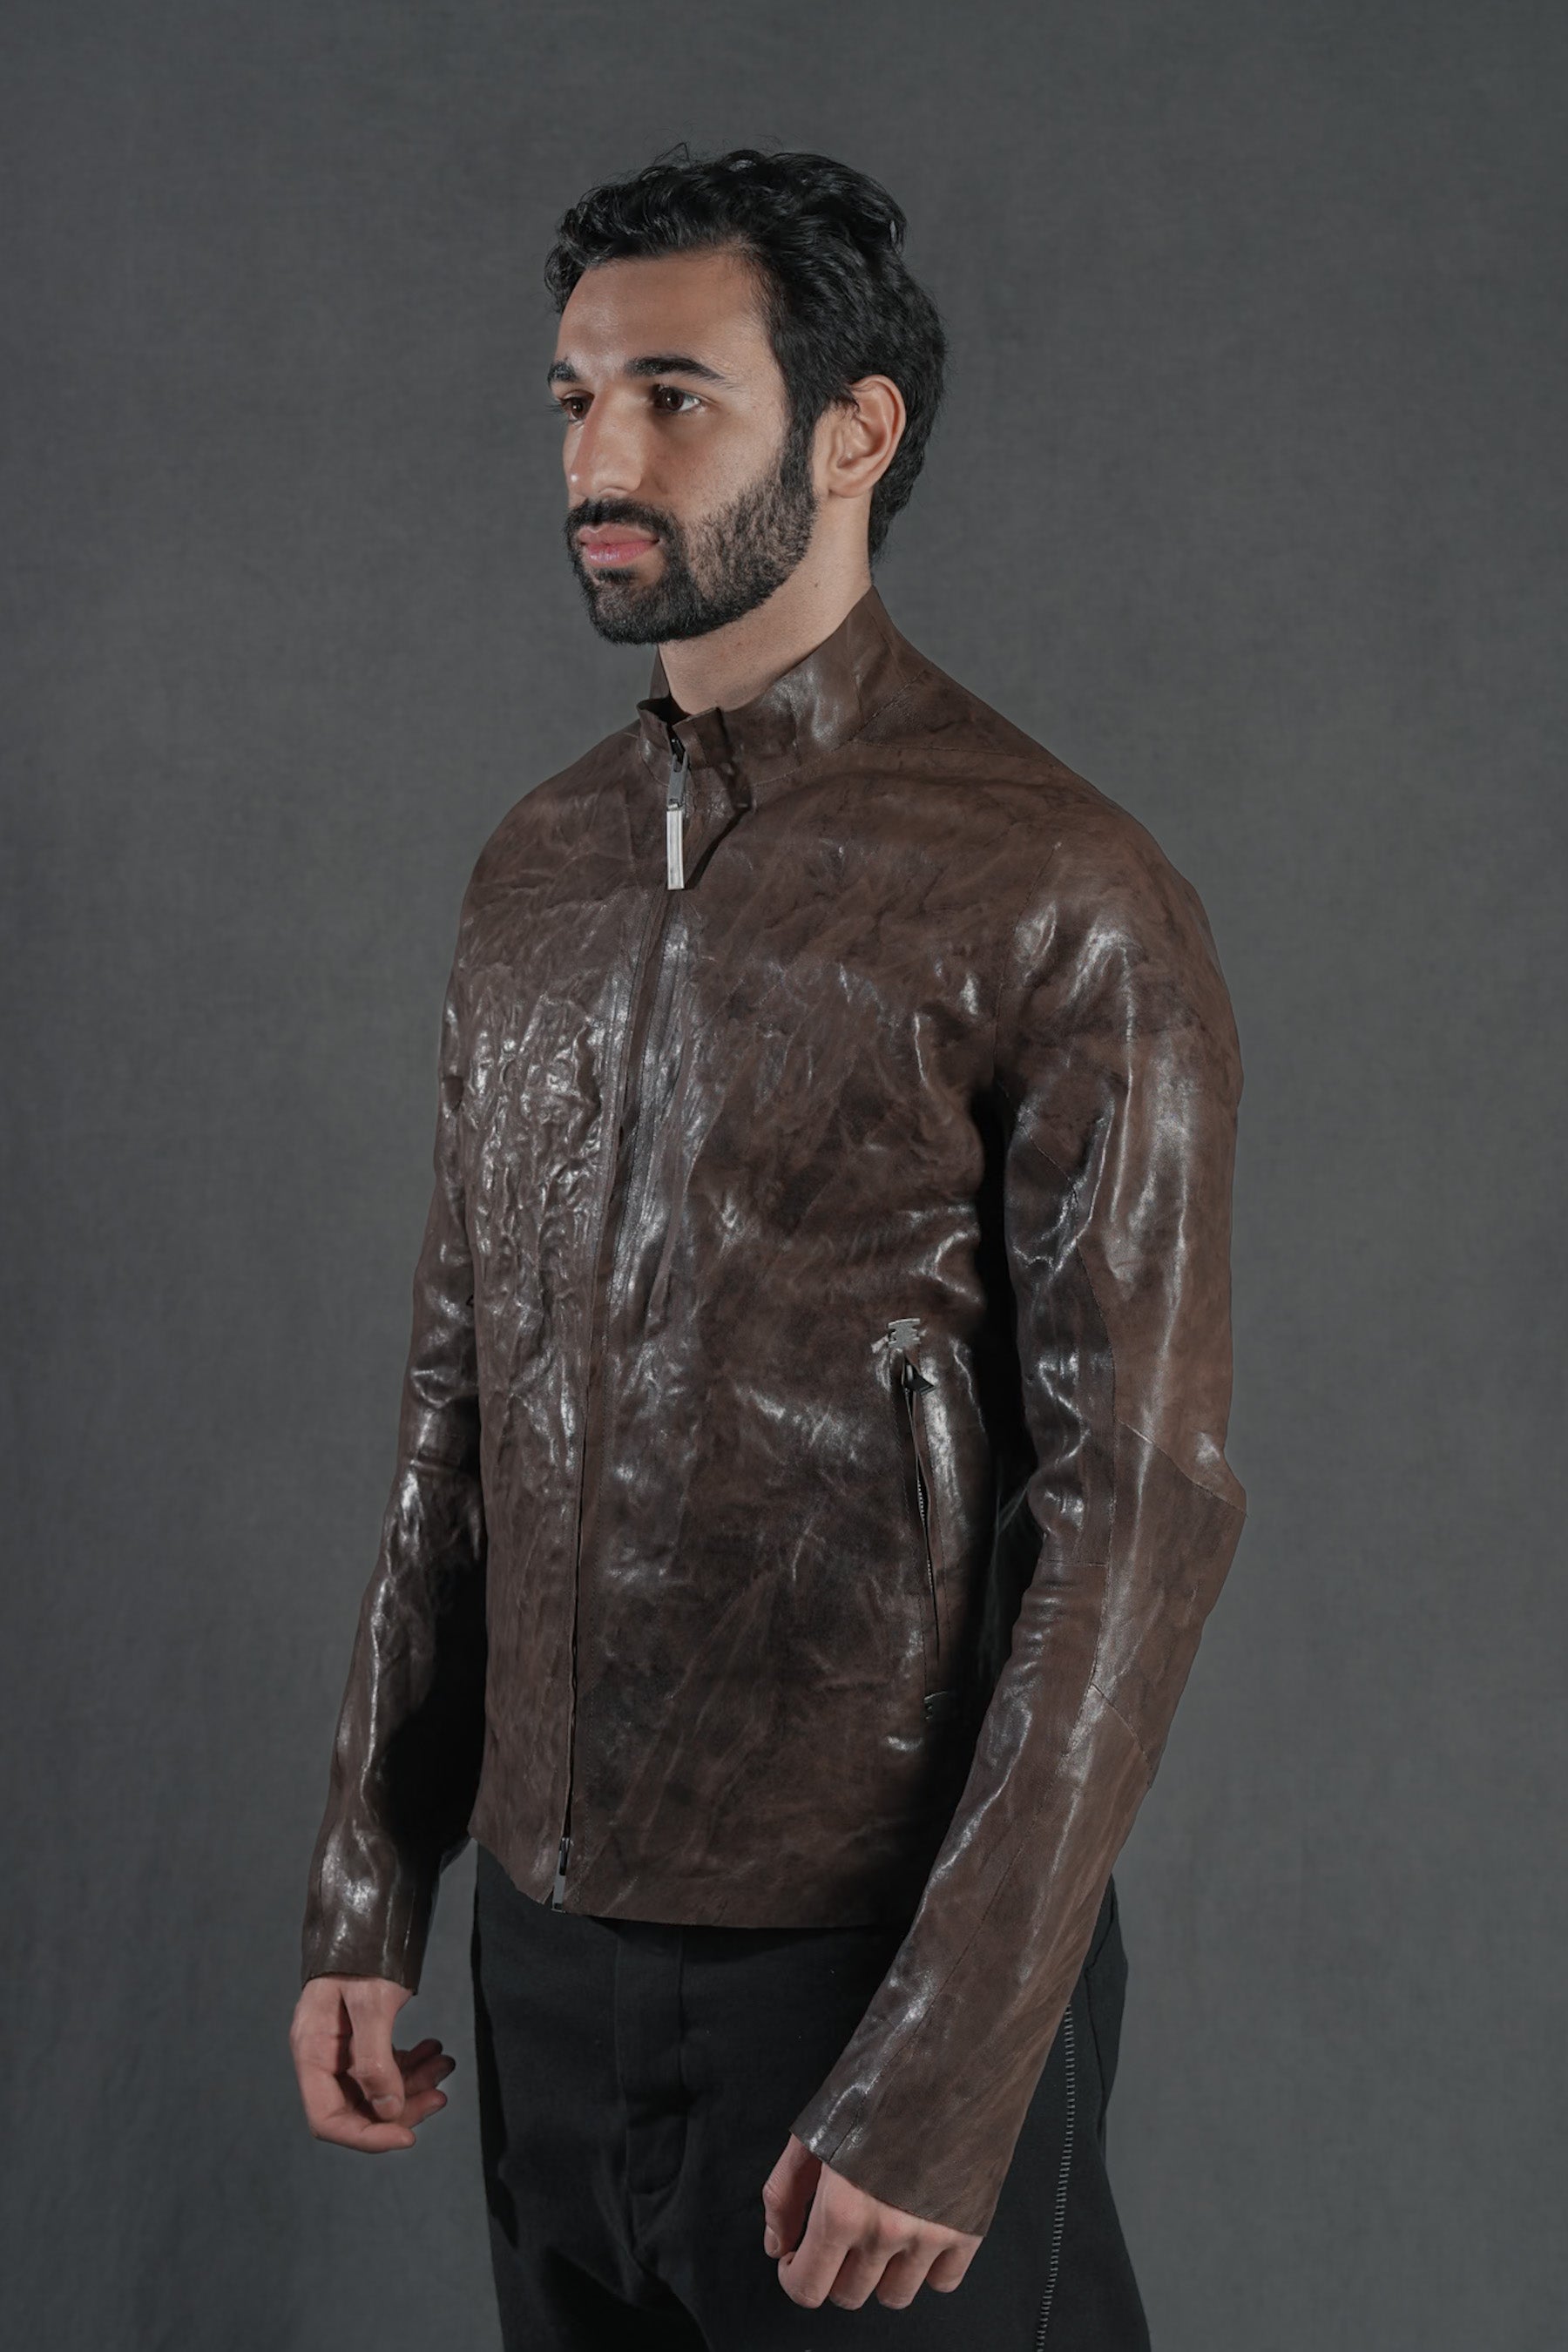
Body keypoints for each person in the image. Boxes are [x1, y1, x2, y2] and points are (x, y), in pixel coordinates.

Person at [287, 144, 1246, 2349]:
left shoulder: (1058, 888)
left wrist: (955, 2059)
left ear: (852, 431)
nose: (595, 461)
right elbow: (455, 1411)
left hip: (871, 1974)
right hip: (546, 1956)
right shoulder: (535, 870)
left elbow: (1136, 1515)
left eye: (671, 396)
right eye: (571, 400)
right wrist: (371, 1880)